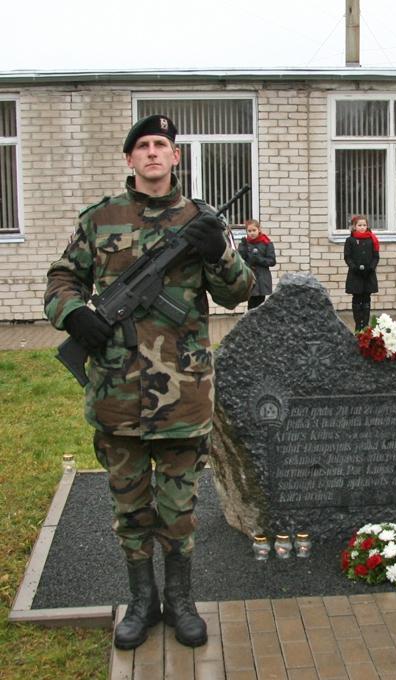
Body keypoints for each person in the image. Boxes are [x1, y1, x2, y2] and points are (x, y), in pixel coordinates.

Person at [43, 114, 253, 649]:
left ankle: (181, 602)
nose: (154, 152)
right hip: (116, 395)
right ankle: (142, 602)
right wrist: (75, 315)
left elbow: (239, 292)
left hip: (183, 396)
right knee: (131, 511)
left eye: (162, 144)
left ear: (176, 157)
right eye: (144, 146)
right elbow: (61, 278)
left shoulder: (202, 221)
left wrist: (219, 251)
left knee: (179, 510)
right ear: (130, 160)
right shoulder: (100, 219)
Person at [344, 214, 380, 330]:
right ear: (354, 226)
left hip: (368, 275)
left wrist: (371, 267)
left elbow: (376, 256)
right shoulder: (350, 240)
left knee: (366, 300)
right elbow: (347, 256)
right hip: (356, 275)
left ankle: (365, 325)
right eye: (359, 225)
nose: (362, 227)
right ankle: (358, 325)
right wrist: (354, 267)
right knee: (357, 299)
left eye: (364, 225)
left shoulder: (371, 240)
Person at [236, 218, 276, 310]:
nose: (252, 233)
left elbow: (272, 261)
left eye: (254, 230)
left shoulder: (267, 243)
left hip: (262, 277)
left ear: (259, 229)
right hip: (250, 277)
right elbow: (240, 260)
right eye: (249, 231)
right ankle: (250, 323)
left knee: (260, 305)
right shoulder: (245, 243)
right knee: (251, 305)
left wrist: (259, 259)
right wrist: (243, 248)